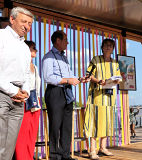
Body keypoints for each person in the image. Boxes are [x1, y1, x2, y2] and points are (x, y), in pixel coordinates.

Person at [42, 30, 88, 160]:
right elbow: (48, 77)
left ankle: (65, 155)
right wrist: (68, 80)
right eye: (65, 40)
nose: (67, 42)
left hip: (67, 92)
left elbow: (69, 75)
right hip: (55, 92)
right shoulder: (48, 57)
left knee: (67, 126)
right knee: (55, 125)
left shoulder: (64, 57)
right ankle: (54, 156)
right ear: (58, 40)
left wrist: (80, 78)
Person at [0, 7, 33, 160]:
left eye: (30, 24)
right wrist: (12, 91)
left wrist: (25, 90)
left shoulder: (25, 48)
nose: (27, 26)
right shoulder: (1, 37)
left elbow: (26, 73)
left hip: (19, 99)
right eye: (24, 21)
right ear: (12, 20)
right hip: (2, 95)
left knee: (9, 146)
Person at [84, 38, 122, 160]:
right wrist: (99, 81)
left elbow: (118, 76)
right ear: (102, 47)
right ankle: (92, 150)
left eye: (110, 46)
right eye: (106, 45)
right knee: (95, 121)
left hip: (110, 96)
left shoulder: (115, 63)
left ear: (113, 48)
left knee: (107, 121)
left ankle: (103, 147)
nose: (108, 47)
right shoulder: (96, 59)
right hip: (97, 96)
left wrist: (117, 80)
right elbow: (88, 75)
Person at [13, 40, 41, 160]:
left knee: (32, 133)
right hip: (24, 101)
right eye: (33, 48)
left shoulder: (35, 67)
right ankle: (21, 157)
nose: (35, 51)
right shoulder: (20, 65)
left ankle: (29, 156)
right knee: (22, 133)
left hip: (35, 102)